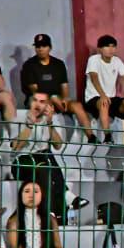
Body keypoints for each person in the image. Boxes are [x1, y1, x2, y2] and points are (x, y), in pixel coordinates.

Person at [10, 92, 88, 224]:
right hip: (21, 162)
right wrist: (30, 125)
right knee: (46, 159)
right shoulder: (19, 117)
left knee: (47, 159)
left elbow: (58, 145)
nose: (37, 104)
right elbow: (16, 147)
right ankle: (66, 197)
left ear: (47, 105)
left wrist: (50, 123)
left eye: (42, 102)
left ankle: (55, 212)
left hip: (43, 164)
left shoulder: (48, 121)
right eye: (35, 100)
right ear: (30, 102)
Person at [20, 33, 95, 142]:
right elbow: (34, 90)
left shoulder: (58, 64)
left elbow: (64, 85)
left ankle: (91, 136)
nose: (40, 49)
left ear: (50, 47)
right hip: (39, 99)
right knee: (43, 101)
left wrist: (64, 99)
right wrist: (52, 98)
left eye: (44, 46)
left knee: (77, 105)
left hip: (58, 99)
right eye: (38, 46)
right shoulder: (29, 65)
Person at [84, 35, 124, 143]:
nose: (111, 50)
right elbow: (94, 77)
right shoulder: (93, 59)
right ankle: (108, 136)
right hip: (93, 98)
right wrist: (102, 94)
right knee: (104, 102)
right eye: (107, 47)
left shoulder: (116, 61)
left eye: (113, 47)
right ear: (100, 49)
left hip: (110, 99)